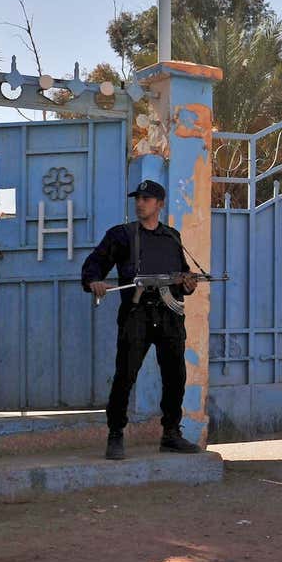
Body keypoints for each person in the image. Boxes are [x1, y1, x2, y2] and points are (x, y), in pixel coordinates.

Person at [81, 179, 202, 459]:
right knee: (125, 375)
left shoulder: (172, 237)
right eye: (137, 198)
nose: (139, 203)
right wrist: (94, 282)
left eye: (146, 199)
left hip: (170, 315)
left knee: (175, 376)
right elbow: (94, 265)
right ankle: (115, 434)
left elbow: (182, 274)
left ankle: (171, 434)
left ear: (159, 205)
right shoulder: (121, 235)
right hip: (137, 315)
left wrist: (188, 283)